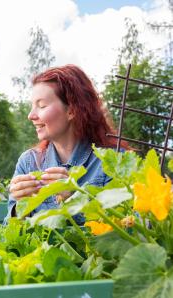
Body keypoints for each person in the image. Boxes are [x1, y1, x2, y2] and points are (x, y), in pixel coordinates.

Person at [6, 64, 125, 223]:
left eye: (41, 106)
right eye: (32, 107)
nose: (31, 115)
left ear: (71, 111)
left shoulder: (112, 161)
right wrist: (20, 209)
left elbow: (123, 229)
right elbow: (10, 234)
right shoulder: (28, 163)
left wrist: (73, 200)